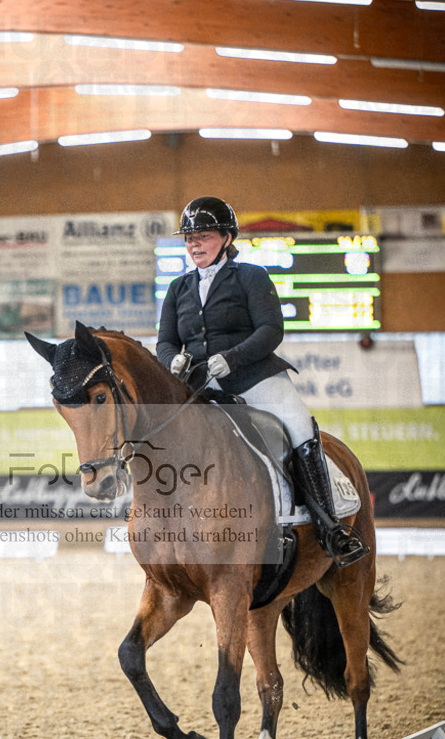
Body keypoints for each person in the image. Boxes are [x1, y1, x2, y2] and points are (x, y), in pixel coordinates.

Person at [156, 195, 368, 567]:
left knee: (300, 424)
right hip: (199, 384)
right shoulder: (178, 288)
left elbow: (271, 330)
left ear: (226, 237)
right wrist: (171, 360)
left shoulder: (252, 276)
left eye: (202, 236)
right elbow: (165, 341)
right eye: (189, 238)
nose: (193, 245)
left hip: (254, 376)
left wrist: (231, 359)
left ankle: (329, 527)